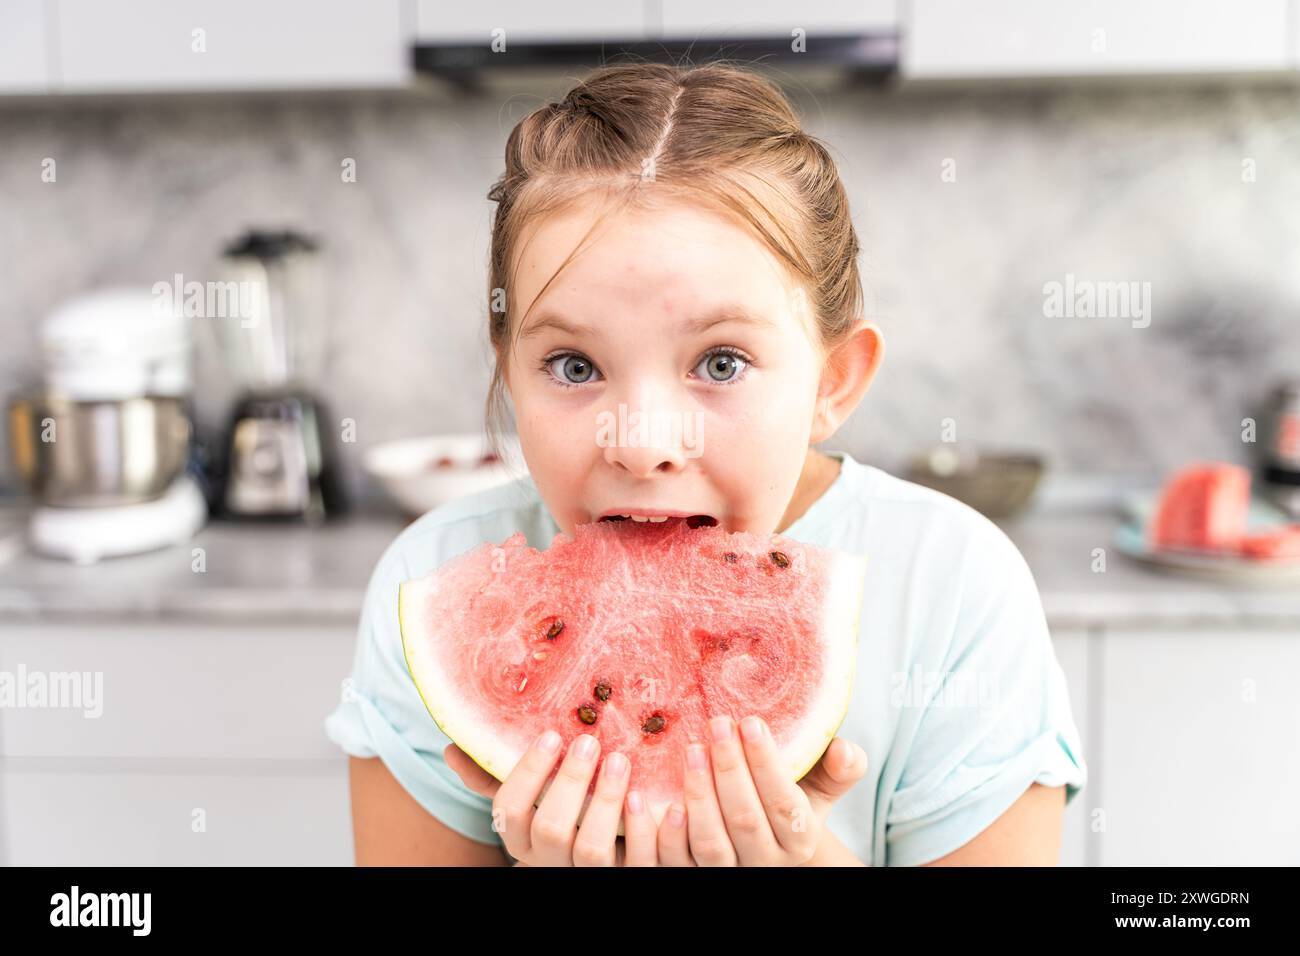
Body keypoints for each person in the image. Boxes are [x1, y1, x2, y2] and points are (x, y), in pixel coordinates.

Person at [325, 61, 1086, 866]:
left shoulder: (955, 585)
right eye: (575, 367)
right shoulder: (432, 577)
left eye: (720, 363)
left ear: (833, 380)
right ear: (508, 368)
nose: (643, 442)